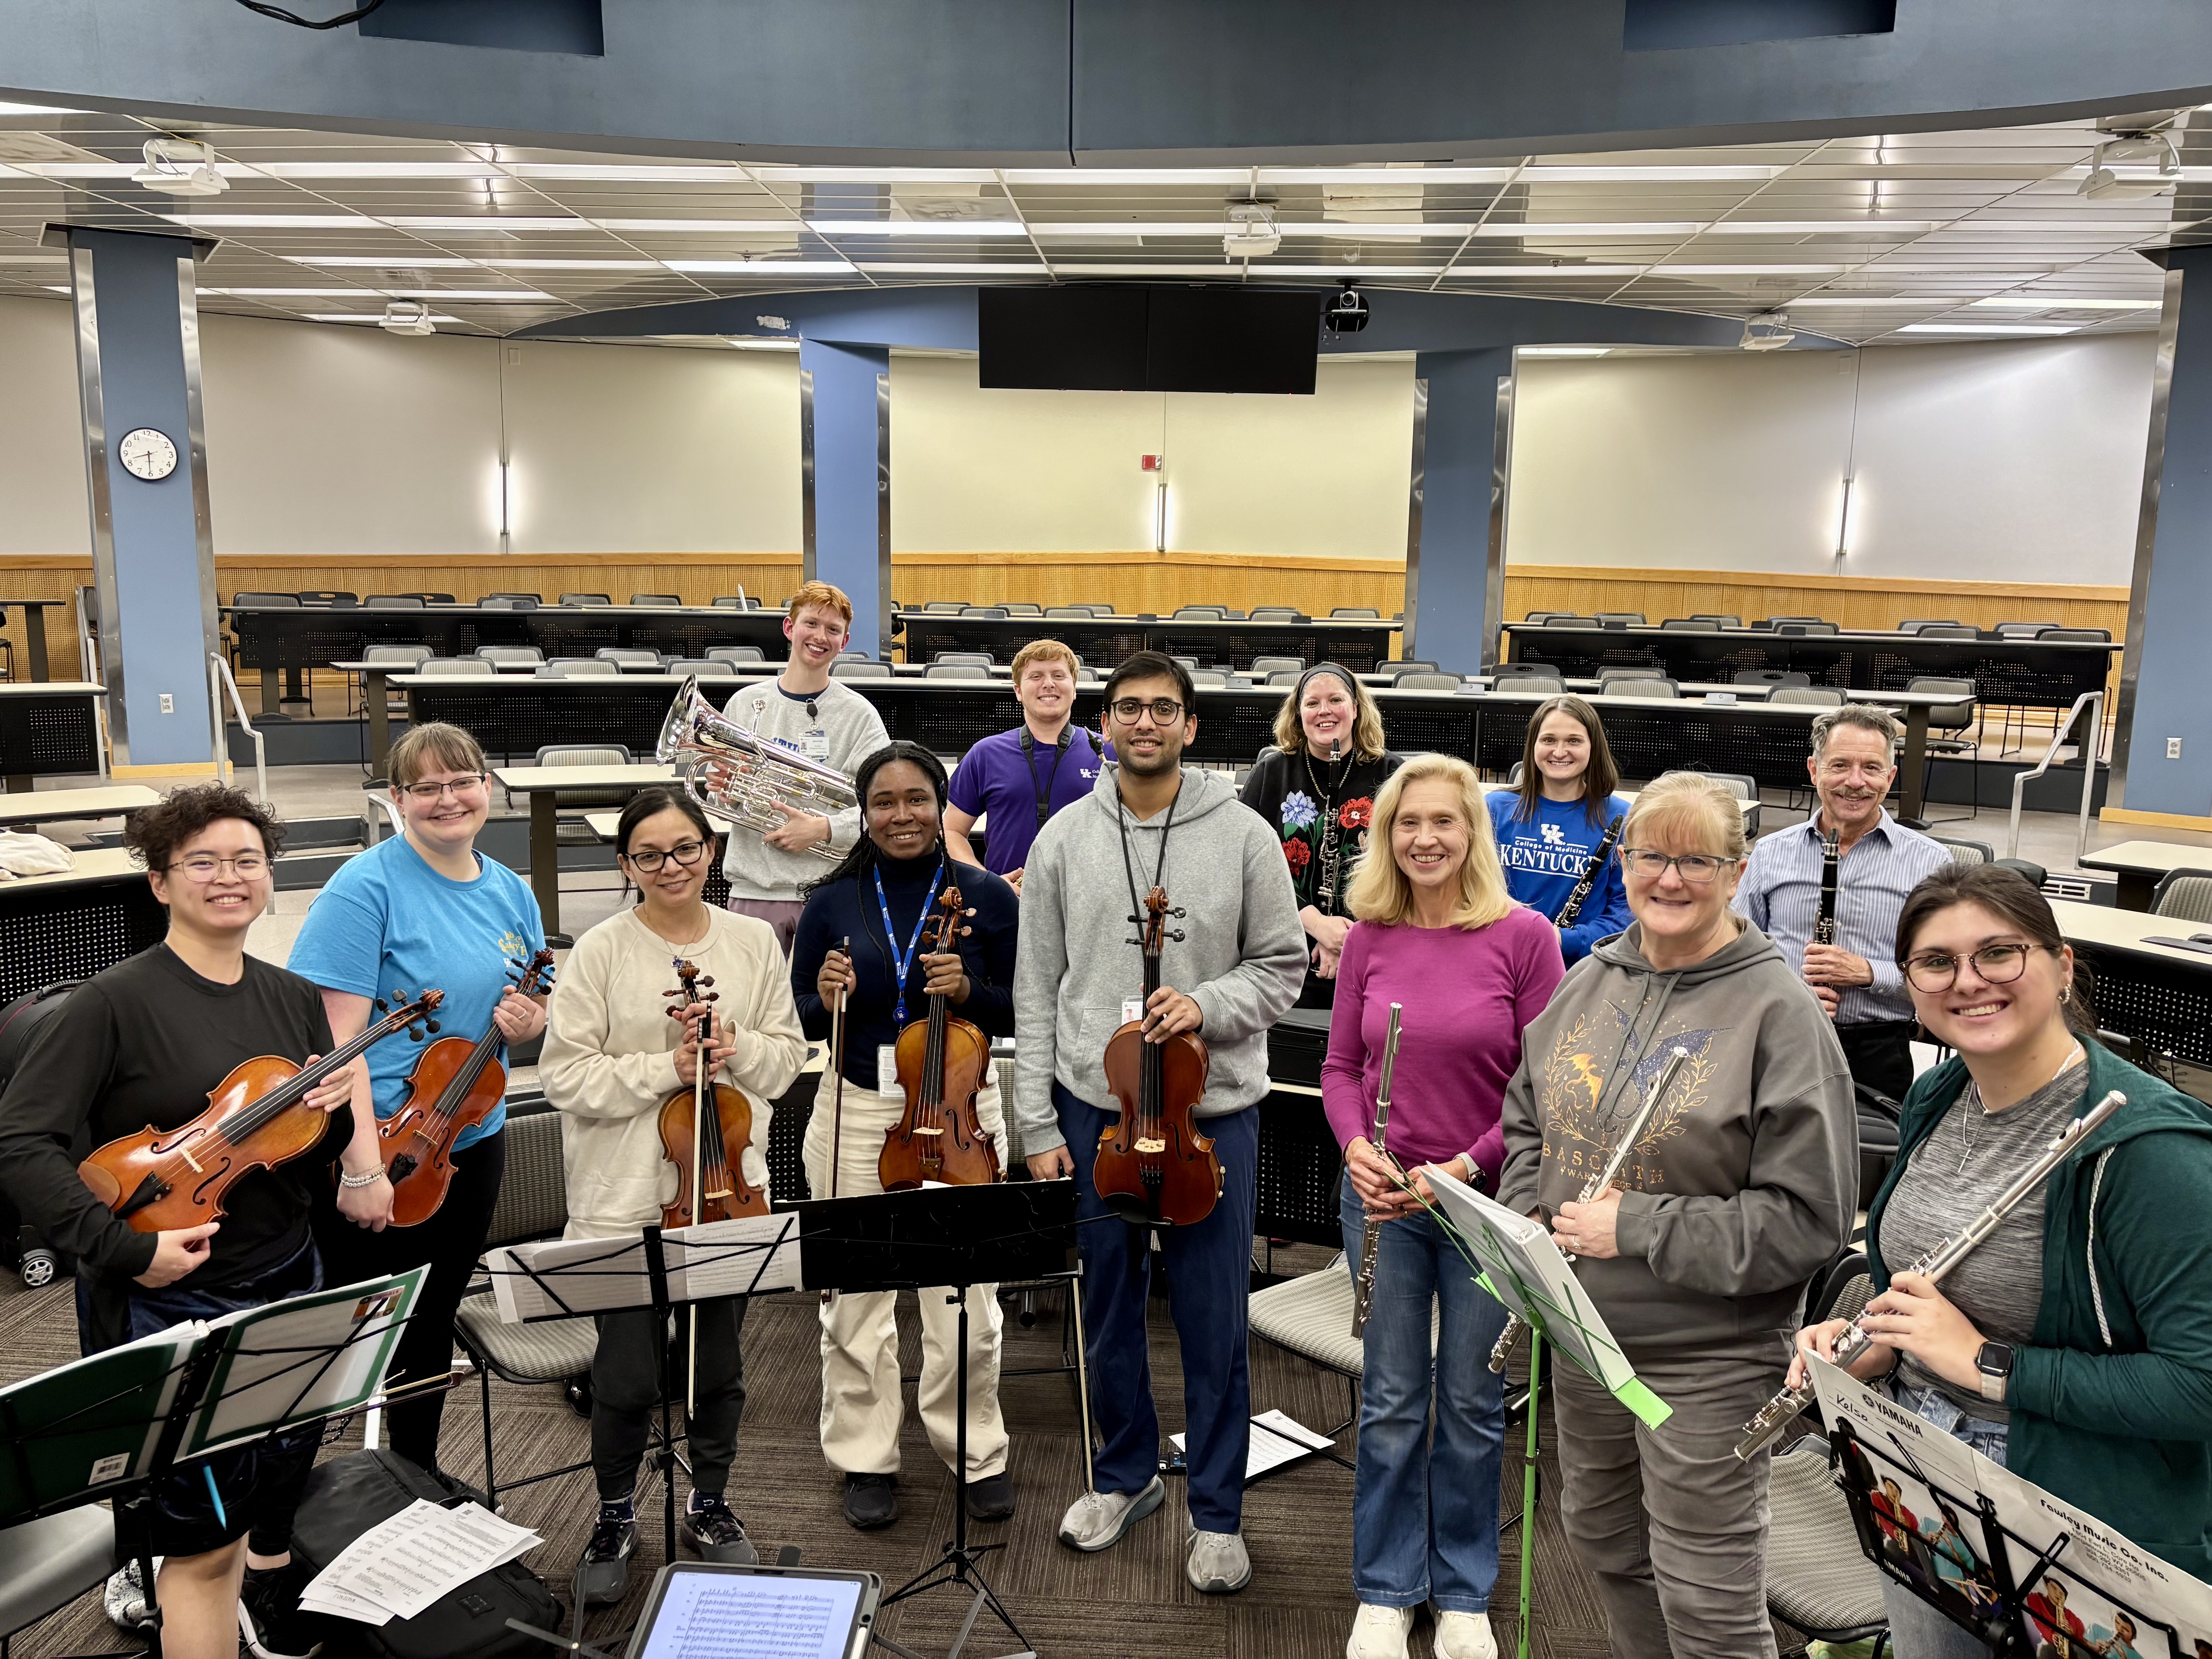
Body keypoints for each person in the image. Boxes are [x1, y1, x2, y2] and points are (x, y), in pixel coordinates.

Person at [1791, 864, 2212, 1656]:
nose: (1969, 982)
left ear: (2062, 966)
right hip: (1918, 1465)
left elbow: (2201, 1386)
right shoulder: (1942, 1092)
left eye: (1999, 954)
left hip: (2068, 1507)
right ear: (1910, 984)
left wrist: (1986, 1364)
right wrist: (1875, 1339)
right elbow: (1917, 1281)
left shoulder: (2153, 1154)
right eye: (1938, 962)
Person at [1497, 771, 1857, 1659]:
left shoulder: (1781, 1014)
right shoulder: (1591, 983)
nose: (1670, 878)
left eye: (1698, 860)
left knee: (1710, 1601)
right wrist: (1526, 1216)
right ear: (1622, 861)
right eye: (1652, 855)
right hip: (1587, 1343)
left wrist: (1640, 1227)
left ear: (1737, 874)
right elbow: (1527, 1121)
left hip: (1710, 1361)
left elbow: (1809, 1218)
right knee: (1608, 1548)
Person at [0, 784, 358, 1659]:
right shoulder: (111, 1003)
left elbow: (296, 1152)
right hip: (174, 1305)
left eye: (248, 860)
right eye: (203, 861)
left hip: (287, 1281)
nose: (229, 877)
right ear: (160, 882)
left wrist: (338, 1115)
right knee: (202, 1542)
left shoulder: (289, 997)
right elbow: (18, 1143)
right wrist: (127, 1250)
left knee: (270, 1486)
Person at [1014, 650, 1306, 1594]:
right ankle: (1125, 1476)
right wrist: (1033, 1122)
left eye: (1164, 710)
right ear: (1107, 724)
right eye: (1129, 709)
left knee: (1215, 1321)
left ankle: (1218, 1510)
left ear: (1191, 726)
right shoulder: (1063, 837)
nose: (1146, 723)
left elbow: (1281, 967)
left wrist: (1208, 1005)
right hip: (1091, 1110)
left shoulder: (1248, 837)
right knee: (1105, 1314)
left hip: (1209, 1114)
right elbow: (1035, 987)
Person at [539, 785, 806, 1604]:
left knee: (718, 1370)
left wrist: (737, 1047)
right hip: (621, 1194)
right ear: (626, 864)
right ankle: (615, 1514)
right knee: (622, 1378)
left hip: (726, 1191)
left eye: (686, 849)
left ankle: (711, 1503)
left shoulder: (755, 941)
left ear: (712, 852)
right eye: (650, 854)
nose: (671, 866)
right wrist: (669, 1068)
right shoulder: (599, 952)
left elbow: (789, 1057)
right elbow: (563, 1075)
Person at [1322, 754, 1564, 1659]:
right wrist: (1355, 1145)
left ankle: (1462, 1592)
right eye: (1407, 823)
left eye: (1444, 822)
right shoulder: (1370, 934)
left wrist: (1466, 1164)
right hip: (1384, 1201)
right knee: (1389, 1399)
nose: (1425, 838)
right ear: (1389, 836)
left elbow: (1545, 1090)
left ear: (1474, 833)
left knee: (1468, 1402)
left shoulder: (1525, 937)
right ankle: (1387, 1588)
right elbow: (1341, 1069)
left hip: (1484, 1206)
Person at [287, 721, 548, 1487]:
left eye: (461, 780)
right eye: (426, 787)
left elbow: (535, 992)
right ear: (395, 799)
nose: (447, 799)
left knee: (429, 1322)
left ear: (487, 789)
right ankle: (273, 1518)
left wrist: (533, 1021)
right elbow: (338, 1047)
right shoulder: (363, 888)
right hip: (377, 1145)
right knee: (341, 1335)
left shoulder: (510, 889)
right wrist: (362, 1169)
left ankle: (413, 1478)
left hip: (471, 1140)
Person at [790, 741, 1022, 1530]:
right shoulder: (831, 900)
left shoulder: (987, 897)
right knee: (857, 1296)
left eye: (918, 799)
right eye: (884, 801)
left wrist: (975, 991)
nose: (901, 815)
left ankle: (975, 1448)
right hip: (859, 1107)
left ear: (943, 803)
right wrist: (826, 998)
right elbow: (804, 1022)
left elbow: (1022, 1010)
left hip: (961, 1103)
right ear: (864, 812)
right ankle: (865, 1456)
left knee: (967, 1295)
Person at [1736, 703, 1952, 1102]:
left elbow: (1946, 976)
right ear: (1814, 770)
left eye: (1871, 768)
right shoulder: (1769, 853)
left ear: (1890, 777)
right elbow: (1734, 957)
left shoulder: (1932, 864)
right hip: (1780, 1035)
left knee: (1869, 1162)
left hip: (1879, 1049)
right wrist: (1787, 990)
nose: (1856, 782)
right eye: (1839, 766)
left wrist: (1869, 972)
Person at [715, 580, 890, 953]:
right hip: (755, 888)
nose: (820, 636)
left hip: (833, 890)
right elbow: (732, 802)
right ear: (790, 628)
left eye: (833, 630)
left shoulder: (861, 717)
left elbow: (885, 805)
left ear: (844, 643)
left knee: (831, 1008)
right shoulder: (744, 705)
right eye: (811, 623)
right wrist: (726, 790)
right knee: (751, 1007)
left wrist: (823, 828)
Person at [1238, 663, 1401, 1006]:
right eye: (1312, 703)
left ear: (1356, 709)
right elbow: (1243, 866)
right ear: (1298, 715)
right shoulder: (1271, 773)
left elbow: (1406, 868)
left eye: (1336, 700)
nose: (1324, 711)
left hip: (1376, 950)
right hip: (1286, 950)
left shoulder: (1393, 774)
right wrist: (1316, 925)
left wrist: (1349, 939)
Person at [943, 637, 1108, 895]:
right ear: (1018, 691)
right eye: (1036, 676)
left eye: (1058, 675)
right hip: (1008, 906)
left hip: (1089, 904)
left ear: (1074, 689)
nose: (1049, 683)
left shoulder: (1108, 754)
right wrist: (987, 883)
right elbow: (951, 831)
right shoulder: (985, 754)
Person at [1485, 694, 1633, 964]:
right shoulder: (1494, 809)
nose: (1560, 752)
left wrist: (1564, 939)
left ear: (1593, 747)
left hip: (1579, 968)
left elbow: (1626, 914)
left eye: (1574, 741)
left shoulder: (1621, 818)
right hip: (1497, 957)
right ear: (1534, 745)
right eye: (1549, 740)